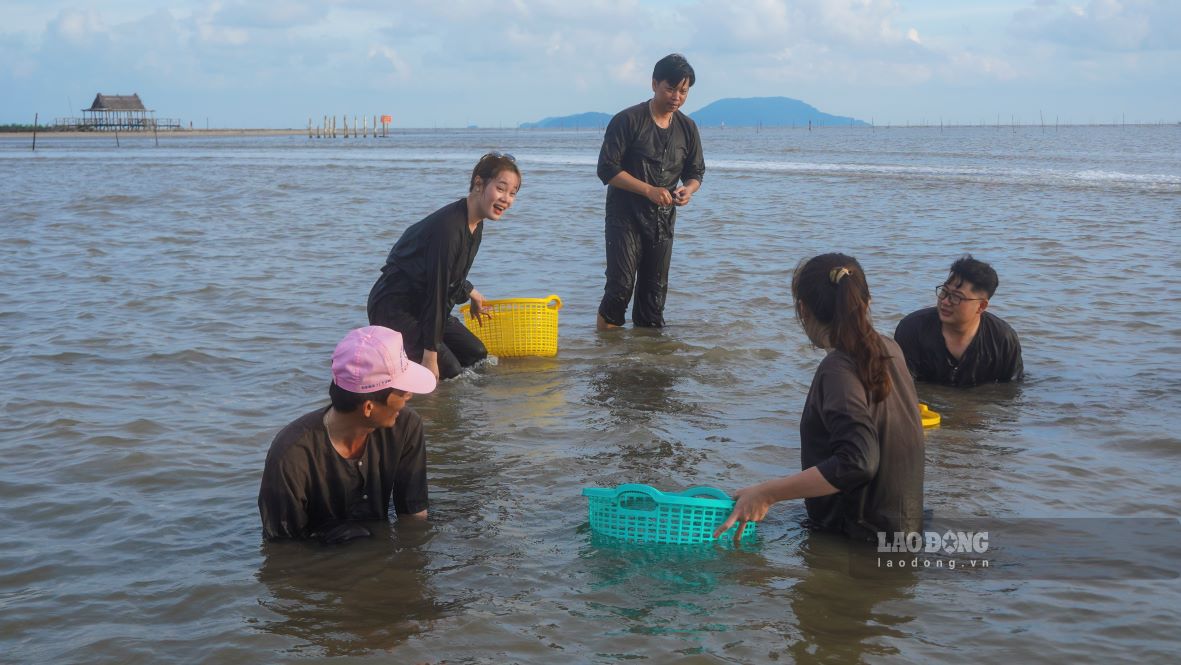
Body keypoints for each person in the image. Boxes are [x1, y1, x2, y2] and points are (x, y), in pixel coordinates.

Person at [715, 253, 925, 543]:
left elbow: (858, 461)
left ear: (803, 310)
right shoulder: (891, 349)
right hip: (901, 538)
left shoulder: (838, 368)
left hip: (856, 545)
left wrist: (768, 493)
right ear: (867, 302)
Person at [258, 325, 438, 543]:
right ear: (368, 407)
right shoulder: (290, 456)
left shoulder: (407, 426)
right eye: (402, 392)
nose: (409, 395)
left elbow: (413, 516)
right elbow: (283, 550)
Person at [367, 152, 521, 379]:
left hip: (424, 305)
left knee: (476, 354)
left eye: (512, 193)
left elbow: (448, 274)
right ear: (479, 184)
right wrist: (430, 354)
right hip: (395, 307)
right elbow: (437, 291)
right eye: (501, 188)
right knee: (448, 372)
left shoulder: (475, 225)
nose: (506, 199)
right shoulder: (449, 229)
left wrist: (470, 291)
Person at [595, 53, 705, 330]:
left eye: (683, 91)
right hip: (624, 218)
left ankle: (646, 364)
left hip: (662, 221)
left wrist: (688, 190)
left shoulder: (688, 128)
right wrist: (648, 190)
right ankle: (605, 354)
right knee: (620, 288)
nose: (676, 97)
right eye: (670, 88)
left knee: (653, 298)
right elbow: (606, 169)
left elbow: (696, 172)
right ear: (654, 84)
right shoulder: (628, 120)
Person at [893, 254, 1023, 387]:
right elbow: (902, 387)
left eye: (956, 297)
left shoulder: (1003, 339)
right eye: (944, 292)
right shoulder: (912, 329)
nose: (945, 301)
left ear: (981, 306)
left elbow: (1010, 391)